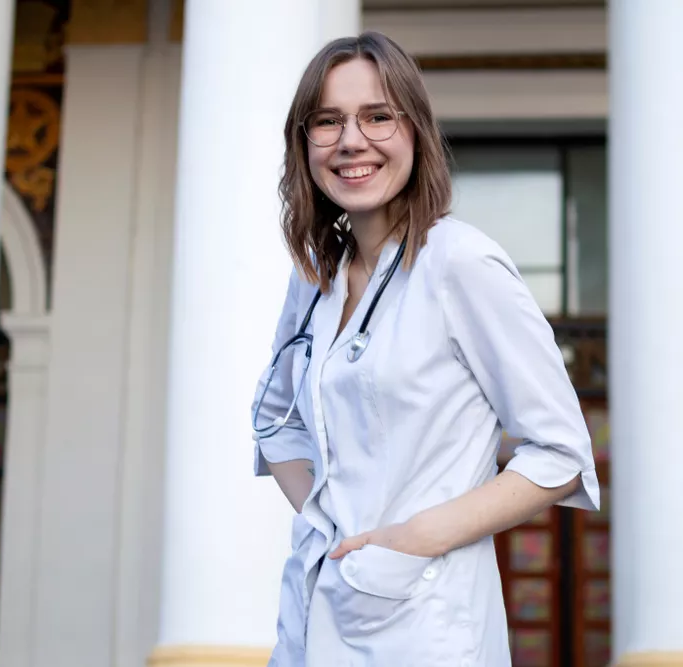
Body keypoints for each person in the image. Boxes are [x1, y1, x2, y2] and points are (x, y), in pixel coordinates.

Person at [250, 30, 599, 667]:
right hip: (316, 611)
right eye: (327, 122)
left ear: (417, 132)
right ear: (304, 145)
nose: (351, 140)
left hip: (426, 624)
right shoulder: (314, 279)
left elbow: (561, 454)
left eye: (377, 116)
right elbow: (275, 421)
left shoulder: (460, 263)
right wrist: (330, 526)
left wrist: (410, 540)